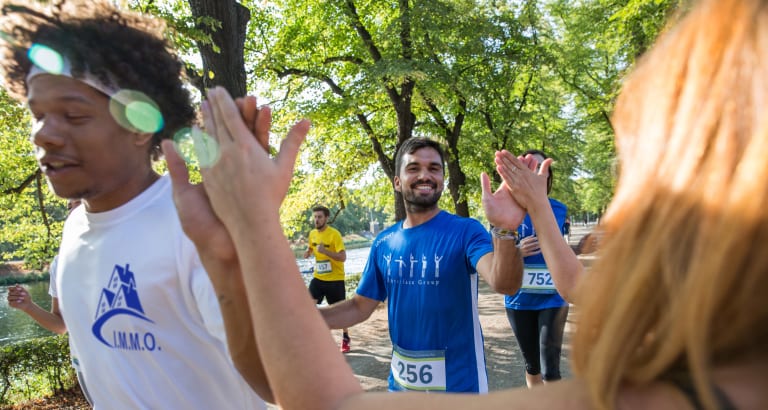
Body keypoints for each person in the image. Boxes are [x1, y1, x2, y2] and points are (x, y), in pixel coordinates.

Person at [165, 0, 768, 407]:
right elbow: (361, 309)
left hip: (461, 390)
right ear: (398, 179)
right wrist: (305, 317)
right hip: (403, 386)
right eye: (414, 168)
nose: (424, 175)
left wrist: (504, 231)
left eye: (434, 168)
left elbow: (505, 281)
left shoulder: (465, 233)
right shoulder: (383, 242)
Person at [0, 1, 269, 408]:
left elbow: (280, 383)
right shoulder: (74, 229)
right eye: (37, 114)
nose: (43, 135)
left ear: (140, 127)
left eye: (73, 115)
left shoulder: (196, 227)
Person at [501, 149, 571, 388]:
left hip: (553, 298)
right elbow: (494, 255)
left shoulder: (559, 209)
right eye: (529, 167)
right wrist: (516, 251)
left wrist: (577, 249)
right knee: (533, 367)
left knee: (551, 371)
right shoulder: (504, 208)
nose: (536, 172)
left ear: (548, 177)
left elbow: (560, 249)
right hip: (519, 300)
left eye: (542, 168)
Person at [303, 205, 351, 352]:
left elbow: (343, 257)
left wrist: (326, 251)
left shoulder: (334, 235)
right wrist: (308, 252)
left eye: (319, 217)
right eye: (315, 217)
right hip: (319, 278)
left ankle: (345, 336)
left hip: (335, 280)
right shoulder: (312, 234)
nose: (316, 220)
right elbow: (312, 246)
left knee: (340, 313)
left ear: (326, 218)